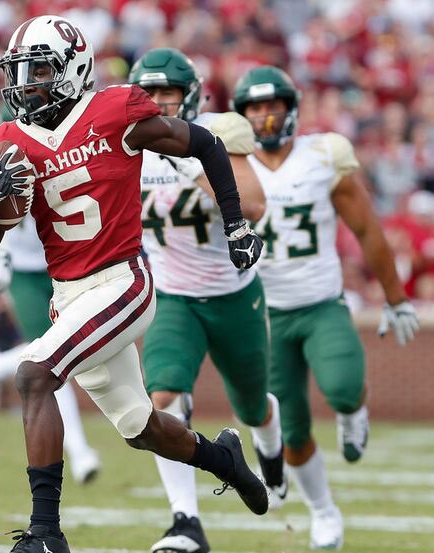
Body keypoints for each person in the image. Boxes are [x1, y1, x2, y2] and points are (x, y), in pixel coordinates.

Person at [0, 16, 267, 553]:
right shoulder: (7, 141)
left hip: (123, 282)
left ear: (73, 69)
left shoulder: (114, 111)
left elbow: (206, 144)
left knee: (35, 375)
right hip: (69, 296)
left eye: (39, 70)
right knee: (141, 427)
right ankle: (225, 460)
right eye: (20, 72)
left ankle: (45, 534)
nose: (26, 83)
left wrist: (236, 223)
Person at [231, 65, 420, 550]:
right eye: (255, 108)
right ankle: (324, 512)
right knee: (290, 430)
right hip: (264, 316)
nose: (265, 117)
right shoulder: (229, 164)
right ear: (241, 115)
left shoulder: (323, 155)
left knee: (341, 388)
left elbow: (367, 230)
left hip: (320, 304)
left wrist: (396, 298)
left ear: (291, 108)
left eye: (273, 105)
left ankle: (354, 411)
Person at [129, 48, 285, 553]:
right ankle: (185, 522)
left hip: (233, 295)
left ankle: (270, 445)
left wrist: (188, 166)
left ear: (189, 97)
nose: (157, 103)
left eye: (167, 94)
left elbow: (255, 205)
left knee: (251, 405)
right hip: (173, 295)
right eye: (148, 94)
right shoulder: (124, 145)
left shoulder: (214, 135)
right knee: (162, 399)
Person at [0, 212, 102, 485]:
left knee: (74, 348)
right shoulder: (3, 166)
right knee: (52, 360)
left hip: (72, 263)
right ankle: (79, 452)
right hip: (26, 271)